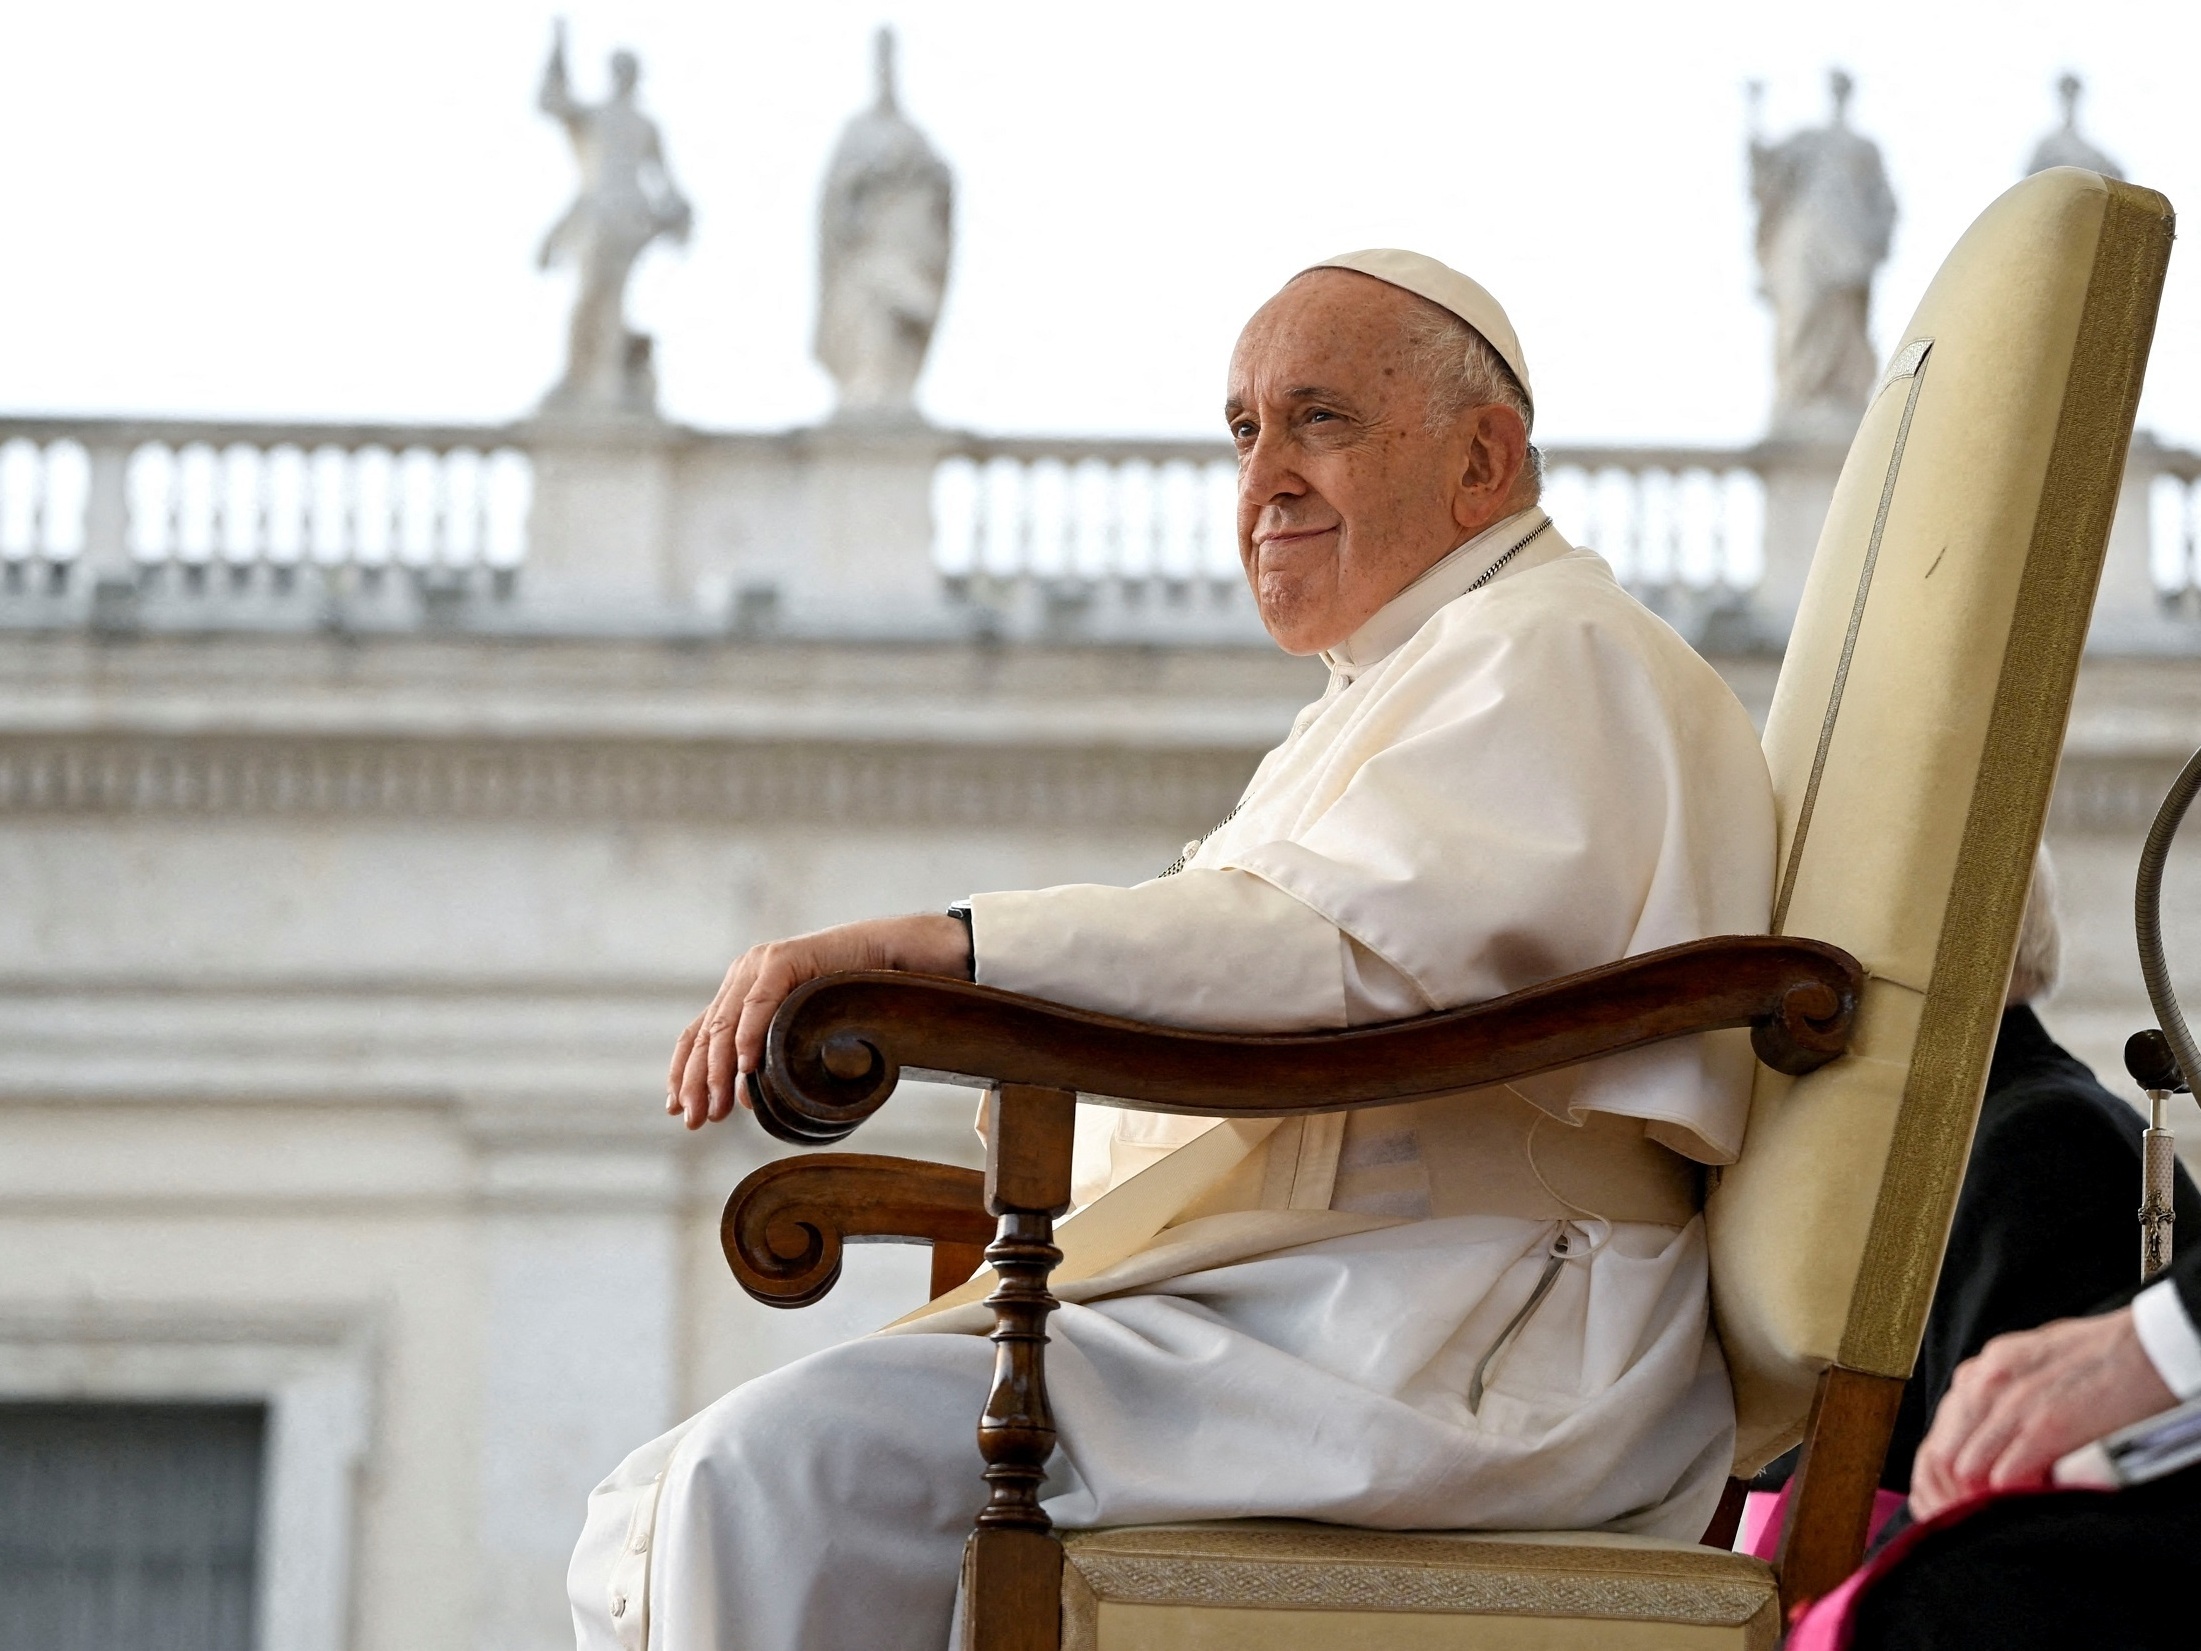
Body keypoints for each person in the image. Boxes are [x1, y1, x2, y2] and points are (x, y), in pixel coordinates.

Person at [569, 251, 1777, 1651]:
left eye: (1317, 418)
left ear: (1480, 460)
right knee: (662, 1495)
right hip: (1353, 1304)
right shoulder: (1403, 678)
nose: (1261, 474)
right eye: (1242, 429)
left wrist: (943, 957)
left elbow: (1312, 959)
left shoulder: (1553, 650)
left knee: (776, 1475)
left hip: (1473, 1336)